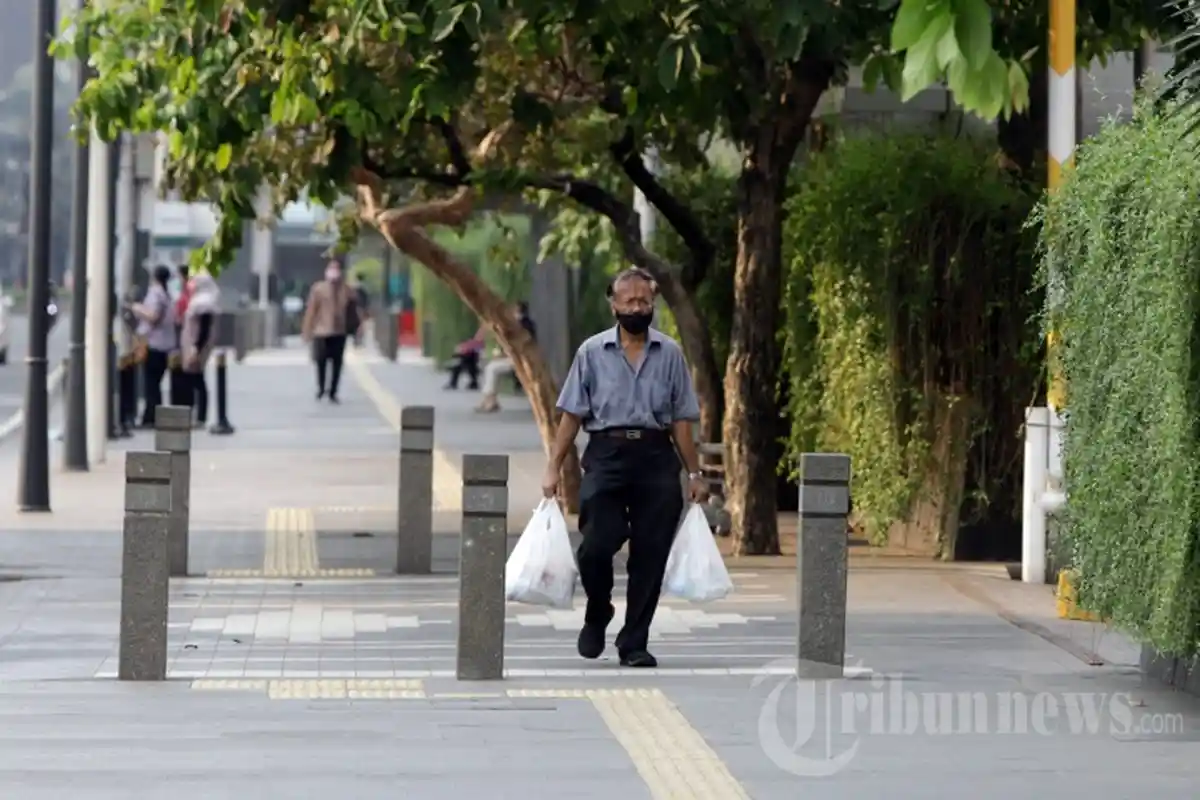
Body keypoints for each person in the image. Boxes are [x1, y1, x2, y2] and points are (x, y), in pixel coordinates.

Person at [542, 268, 707, 668]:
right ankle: (599, 611)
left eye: (644, 301)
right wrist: (553, 467)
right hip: (606, 456)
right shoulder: (591, 353)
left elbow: (681, 420)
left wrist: (695, 473)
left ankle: (634, 642)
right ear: (613, 304)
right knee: (597, 545)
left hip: (655, 458)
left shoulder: (669, 354)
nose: (637, 307)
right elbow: (571, 416)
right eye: (629, 301)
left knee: (650, 554)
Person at [302, 258, 357, 403]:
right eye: (331, 268)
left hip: (339, 332)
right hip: (321, 332)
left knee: (337, 363)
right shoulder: (318, 289)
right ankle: (321, 388)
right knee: (321, 361)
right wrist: (307, 330)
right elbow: (311, 310)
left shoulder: (346, 289)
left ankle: (333, 391)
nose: (334, 272)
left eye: (337, 269)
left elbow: (354, 309)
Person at [130, 265, 177, 427]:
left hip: (153, 344)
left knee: (151, 384)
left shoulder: (156, 293)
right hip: (164, 345)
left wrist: (137, 308)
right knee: (154, 383)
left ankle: (151, 417)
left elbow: (153, 316)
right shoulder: (166, 294)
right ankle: (151, 415)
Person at [475, 302, 536, 413]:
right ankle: (490, 399)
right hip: (516, 358)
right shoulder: (520, 323)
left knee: (492, 368)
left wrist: (505, 353)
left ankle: (490, 400)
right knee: (492, 367)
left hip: (521, 359)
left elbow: (520, 345)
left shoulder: (522, 325)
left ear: (517, 308)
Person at [181, 272, 220, 427]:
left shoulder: (204, 303)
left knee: (197, 380)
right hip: (193, 345)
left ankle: (200, 416)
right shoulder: (201, 300)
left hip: (196, 346)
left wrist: (195, 349)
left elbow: (204, 329)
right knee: (195, 380)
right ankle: (198, 415)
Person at [446, 324, 485, 390]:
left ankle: (454, 384)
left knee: (460, 369)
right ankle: (472, 383)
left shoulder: (477, 344)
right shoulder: (474, 343)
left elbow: (477, 353)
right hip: (469, 362)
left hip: (471, 362)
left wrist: (458, 355)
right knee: (458, 369)